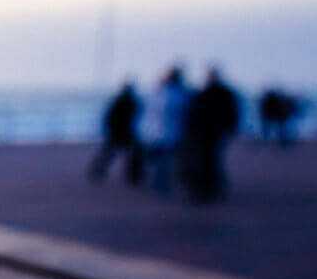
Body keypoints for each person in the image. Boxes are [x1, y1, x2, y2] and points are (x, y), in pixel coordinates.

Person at [185, 67, 241, 202]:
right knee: (206, 161)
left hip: (213, 133)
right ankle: (208, 190)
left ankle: (209, 190)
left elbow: (231, 113)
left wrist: (229, 128)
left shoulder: (220, 93)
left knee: (209, 161)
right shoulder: (207, 93)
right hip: (204, 133)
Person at [142, 65, 189, 193]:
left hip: (162, 134)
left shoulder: (162, 93)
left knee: (163, 161)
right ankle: (161, 184)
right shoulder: (176, 94)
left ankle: (161, 184)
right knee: (163, 161)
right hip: (164, 134)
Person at [88, 80, 143, 185]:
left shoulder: (120, 101)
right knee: (116, 154)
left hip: (119, 132)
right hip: (122, 132)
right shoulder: (129, 101)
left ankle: (133, 176)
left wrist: (107, 129)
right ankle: (133, 176)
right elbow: (111, 117)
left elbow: (108, 117)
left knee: (110, 154)